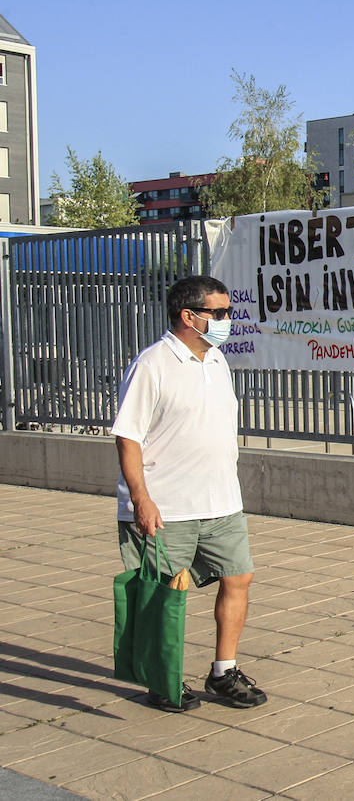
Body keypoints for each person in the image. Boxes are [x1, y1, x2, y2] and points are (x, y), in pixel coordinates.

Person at [113, 275, 267, 712]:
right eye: (218, 314)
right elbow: (128, 438)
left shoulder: (216, 361)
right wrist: (141, 499)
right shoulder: (152, 364)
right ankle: (163, 678)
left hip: (221, 503)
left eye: (228, 313)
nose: (227, 321)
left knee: (238, 578)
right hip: (167, 506)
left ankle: (224, 671)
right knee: (164, 595)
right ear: (189, 316)